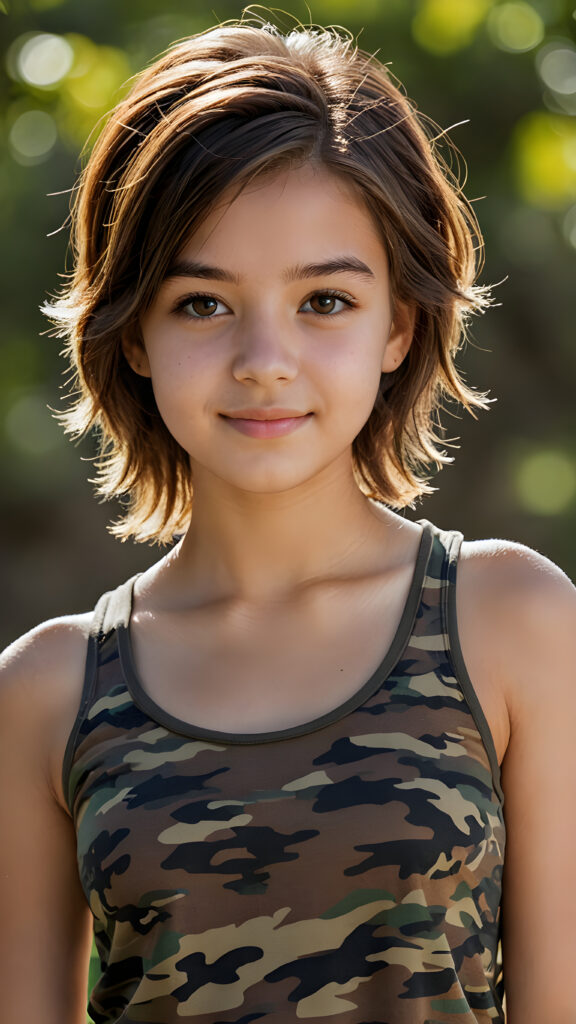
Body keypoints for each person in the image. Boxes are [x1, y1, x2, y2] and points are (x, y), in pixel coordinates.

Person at [1, 13, 574, 1024]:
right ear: (132, 333)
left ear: (399, 324)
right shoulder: (43, 693)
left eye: (324, 301)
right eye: (202, 304)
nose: (265, 361)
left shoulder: (514, 620)